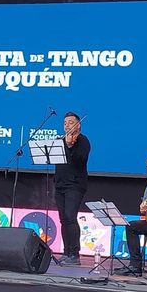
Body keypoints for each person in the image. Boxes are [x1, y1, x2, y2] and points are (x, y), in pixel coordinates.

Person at [54, 112, 91, 266]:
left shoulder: (83, 141)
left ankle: (75, 254)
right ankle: (66, 252)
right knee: (63, 219)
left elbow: (80, 160)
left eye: (70, 122)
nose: (67, 125)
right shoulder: (59, 140)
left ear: (78, 124)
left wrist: (70, 146)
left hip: (75, 185)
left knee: (70, 216)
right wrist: (64, 144)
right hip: (60, 184)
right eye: (65, 123)